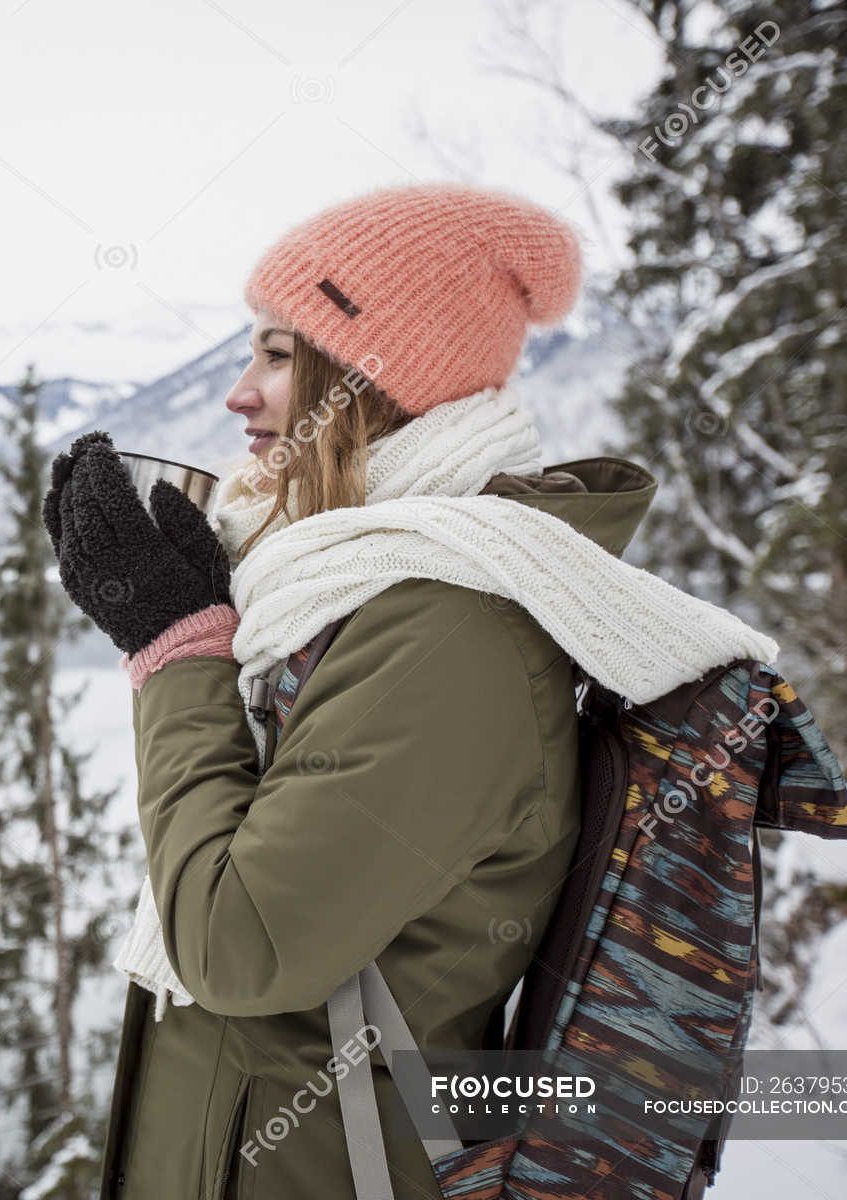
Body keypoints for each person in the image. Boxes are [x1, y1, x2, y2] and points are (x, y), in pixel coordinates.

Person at [43, 182, 779, 1200]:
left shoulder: (451, 631)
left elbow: (237, 943)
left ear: (372, 383)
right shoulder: (338, 586)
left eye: (278, 354)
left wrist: (176, 647)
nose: (237, 394)